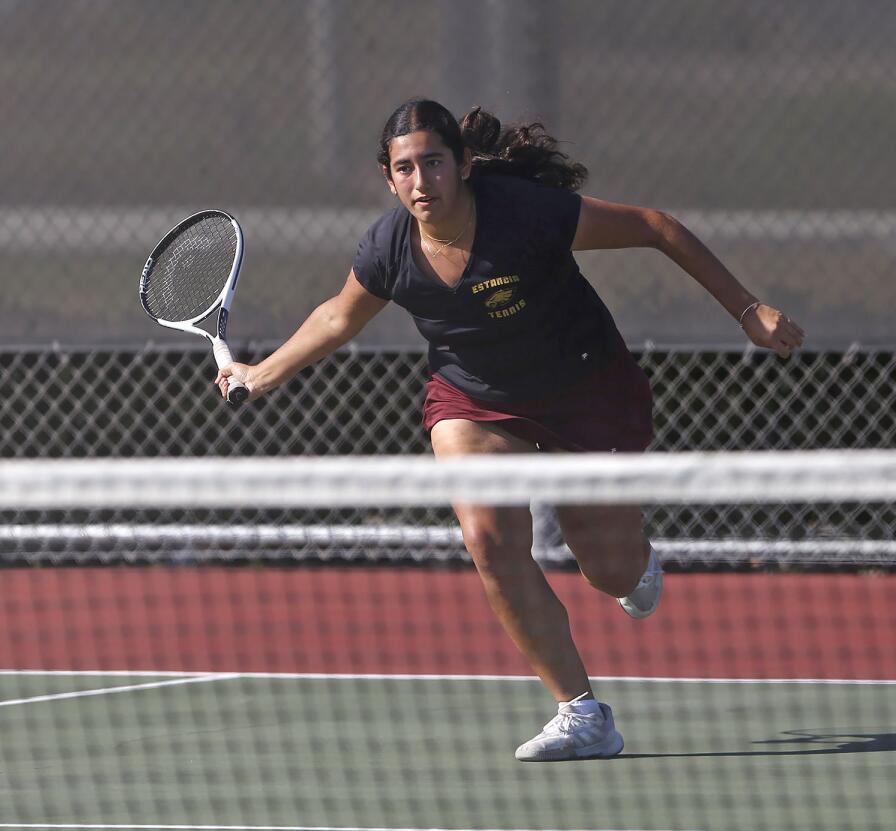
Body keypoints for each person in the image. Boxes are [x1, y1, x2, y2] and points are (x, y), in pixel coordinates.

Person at [215, 98, 805, 761]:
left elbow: (655, 227)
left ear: (463, 165)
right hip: (476, 400)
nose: (420, 181)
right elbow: (338, 317)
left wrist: (748, 309)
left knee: (609, 572)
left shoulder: (524, 213)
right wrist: (264, 372)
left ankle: (631, 560)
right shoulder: (388, 246)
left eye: (433, 163)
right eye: (404, 168)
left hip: (585, 389)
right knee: (489, 538)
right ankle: (581, 712)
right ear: (389, 177)